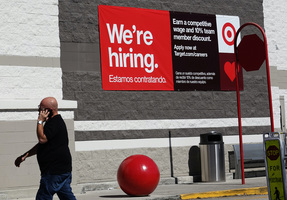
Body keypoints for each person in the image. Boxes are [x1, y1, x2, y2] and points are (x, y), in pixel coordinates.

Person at [14, 97, 76, 200]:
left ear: (48, 110)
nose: (39, 111)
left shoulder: (55, 123)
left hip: (54, 171)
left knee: (43, 197)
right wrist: (26, 155)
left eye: (41, 109)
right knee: (66, 197)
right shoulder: (55, 122)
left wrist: (39, 122)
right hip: (61, 170)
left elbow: (42, 139)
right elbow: (43, 144)